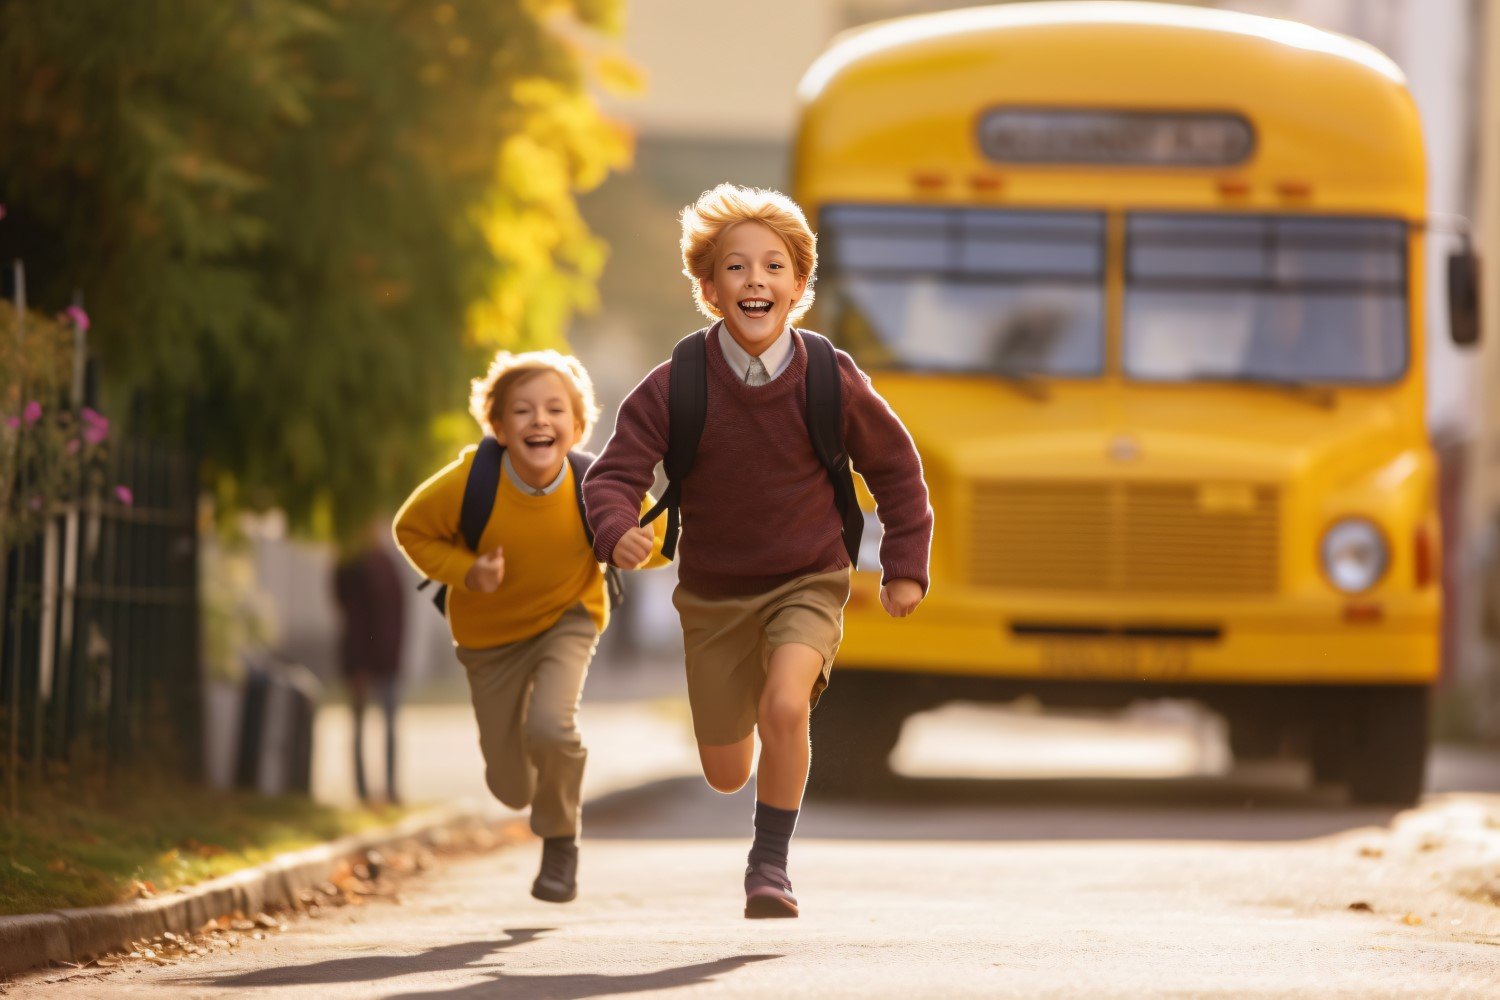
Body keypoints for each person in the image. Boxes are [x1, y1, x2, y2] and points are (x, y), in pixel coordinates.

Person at [584, 183, 933, 918]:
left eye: (774, 267)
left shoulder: (829, 377)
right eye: (736, 268)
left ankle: (769, 867)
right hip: (712, 593)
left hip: (808, 576)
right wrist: (615, 529)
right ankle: (745, 781)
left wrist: (904, 565)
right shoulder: (677, 382)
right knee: (722, 769)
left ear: (799, 286)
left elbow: (897, 470)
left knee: (784, 707)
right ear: (709, 288)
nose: (755, 281)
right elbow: (617, 471)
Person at [393, 350, 666, 903]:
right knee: (509, 783)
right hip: (488, 638)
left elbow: (658, 536)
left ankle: (561, 844)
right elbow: (411, 530)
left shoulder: (598, 483)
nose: (539, 420)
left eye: (554, 409)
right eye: (522, 411)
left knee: (552, 727)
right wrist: (468, 571)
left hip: (569, 618)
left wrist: (639, 547)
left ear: (577, 425)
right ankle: (533, 792)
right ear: (497, 426)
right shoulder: (473, 481)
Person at [332, 519, 407, 806]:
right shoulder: (351, 565)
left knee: (389, 727)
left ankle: (389, 789)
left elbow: (398, 616)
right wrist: (355, 664)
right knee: (360, 726)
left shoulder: (387, 563)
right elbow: (353, 621)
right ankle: (362, 792)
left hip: (387, 660)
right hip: (361, 661)